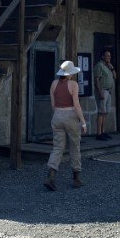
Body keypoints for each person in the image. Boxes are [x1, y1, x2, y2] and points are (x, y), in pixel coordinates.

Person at [44, 60, 87, 191]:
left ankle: (51, 177)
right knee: (75, 146)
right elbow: (76, 105)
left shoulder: (53, 83)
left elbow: (52, 104)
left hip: (57, 115)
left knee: (57, 147)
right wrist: (83, 121)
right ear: (70, 73)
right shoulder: (73, 84)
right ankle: (76, 178)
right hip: (70, 116)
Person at [93, 48, 116, 141]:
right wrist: (99, 92)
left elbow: (115, 76)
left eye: (110, 56)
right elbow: (96, 79)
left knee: (105, 112)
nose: (109, 57)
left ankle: (103, 131)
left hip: (108, 91)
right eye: (107, 56)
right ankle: (99, 133)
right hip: (102, 91)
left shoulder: (108, 66)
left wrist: (111, 67)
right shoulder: (99, 66)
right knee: (101, 112)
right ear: (102, 56)